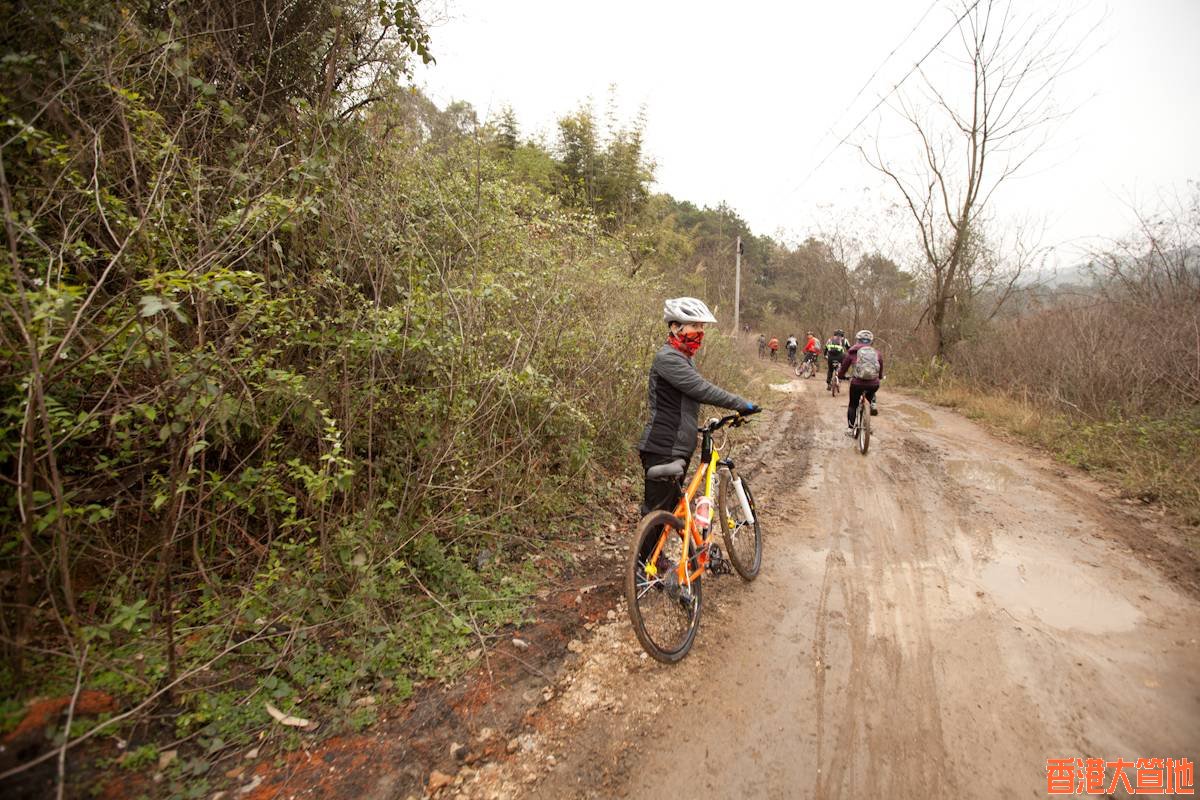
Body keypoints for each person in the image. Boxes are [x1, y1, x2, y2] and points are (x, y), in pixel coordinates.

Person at [638, 297, 758, 515]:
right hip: (664, 446)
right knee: (657, 516)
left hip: (677, 445)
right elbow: (701, 389)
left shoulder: (684, 358)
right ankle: (645, 551)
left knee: (668, 513)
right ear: (675, 327)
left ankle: (670, 548)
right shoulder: (668, 359)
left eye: (702, 327)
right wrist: (741, 403)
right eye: (695, 326)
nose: (700, 332)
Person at [837, 330, 884, 432]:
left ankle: (850, 429)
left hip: (857, 383)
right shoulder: (877, 353)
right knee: (869, 399)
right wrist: (879, 377)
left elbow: (844, 368)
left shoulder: (852, 353)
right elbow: (880, 370)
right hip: (873, 384)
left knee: (853, 404)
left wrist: (840, 376)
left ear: (857, 340)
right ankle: (867, 423)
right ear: (871, 341)